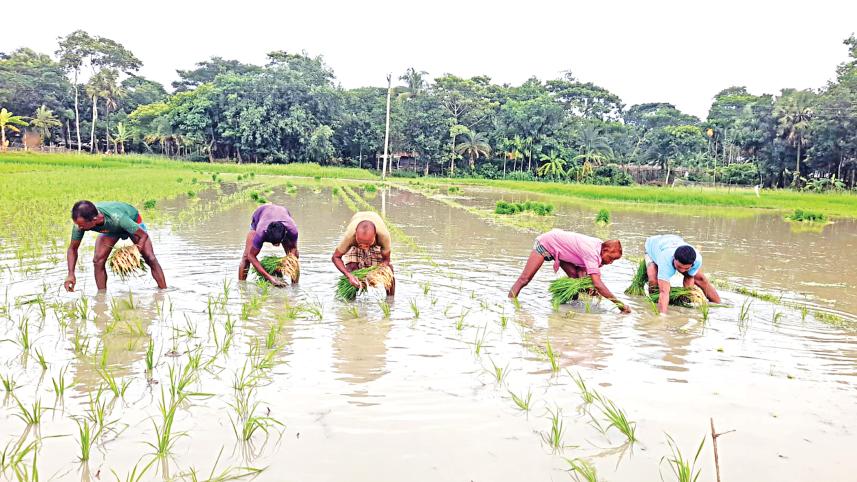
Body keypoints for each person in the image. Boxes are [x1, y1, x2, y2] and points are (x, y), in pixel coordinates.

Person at [509, 229, 629, 313]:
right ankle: (509, 303)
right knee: (524, 279)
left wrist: (588, 288)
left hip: (562, 249)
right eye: (611, 258)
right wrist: (619, 304)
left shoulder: (599, 247)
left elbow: (581, 273)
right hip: (547, 243)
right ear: (605, 250)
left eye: (614, 261)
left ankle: (571, 306)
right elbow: (598, 283)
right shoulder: (592, 253)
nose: (610, 262)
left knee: (575, 279)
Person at [64, 200, 166, 292]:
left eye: (82, 225)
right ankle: (101, 297)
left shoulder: (118, 217)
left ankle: (164, 291)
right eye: (78, 224)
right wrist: (71, 274)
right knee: (98, 260)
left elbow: (143, 235)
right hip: (111, 229)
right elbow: (73, 248)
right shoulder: (80, 224)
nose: (79, 227)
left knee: (150, 257)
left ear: (94, 219)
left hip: (132, 222)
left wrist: (134, 252)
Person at [644, 234, 720, 314]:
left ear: (693, 263)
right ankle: (653, 305)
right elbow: (664, 292)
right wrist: (662, 318)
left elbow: (689, 277)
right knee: (653, 281)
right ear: (674, 258)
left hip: (674, 240)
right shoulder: (665, 260)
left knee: (701, 279)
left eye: (686, 268)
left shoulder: (697, 260)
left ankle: (718, 304)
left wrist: (687, 297)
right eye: (679, 267)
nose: (682, 271)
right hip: (652, 247)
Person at [331, 211, 395, 296]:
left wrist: (375, 272)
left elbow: (386, 260)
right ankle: (350, 303)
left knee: (388, 270)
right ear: (356, 235)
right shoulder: (349, 236)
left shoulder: (383, 236)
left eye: (367, 244)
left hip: (374, 221)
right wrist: (349, 275)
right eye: (361, 244)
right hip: (357, 222)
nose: (364, 247)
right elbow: (335, 257)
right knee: (351, 268)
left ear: (374, 237)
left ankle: (390, 300)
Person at [239, 203, 299, 287]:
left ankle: (295, 286)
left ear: (285, 233)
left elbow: (293, 249)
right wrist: (270, 278)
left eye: (279, 243)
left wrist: (285, 263)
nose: (276, 246)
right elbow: (251, 256)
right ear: (267, 234)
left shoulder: (292, 230)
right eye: (273, 243)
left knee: (294, 258)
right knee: (246, 256)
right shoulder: (261, 232)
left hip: (282, 213)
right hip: (260, 215)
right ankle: (241, 287)